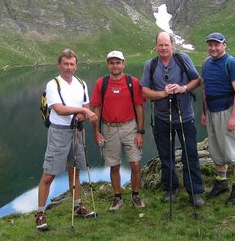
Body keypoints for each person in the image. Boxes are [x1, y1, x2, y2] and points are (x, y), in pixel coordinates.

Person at [35, 48, 98, 231]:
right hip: (59, 132)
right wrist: (84, 111)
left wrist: (83, 114)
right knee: (49, 174)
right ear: (59, 65)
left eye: (72, 64)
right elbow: (58, 109)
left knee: (75, 171)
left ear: (76, 65)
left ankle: (78, 206)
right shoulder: (53, 84)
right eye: (65, 64)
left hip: (77, 131)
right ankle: (40, 214)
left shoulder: (81, 83)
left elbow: (86, 104)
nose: (69, 68)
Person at [140, 31, 205, 206]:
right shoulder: (150, 65)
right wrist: (163, 93)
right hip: (162, 118)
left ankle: (195, 191)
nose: (163, 48)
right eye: (160, 45)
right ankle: (170, 187)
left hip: (185, 117)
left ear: (172, 45)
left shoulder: (183, 59)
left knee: (190, 154)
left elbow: (197, 80)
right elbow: (144, 91)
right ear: (156, 46)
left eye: (166, 44)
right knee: (166, 155)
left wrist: (183, 88)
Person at [91, 50, 146, 211]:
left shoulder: (132, 82)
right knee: (114, 165)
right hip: (109, 128)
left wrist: (140, 132)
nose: (115, 66)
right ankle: (117, 198)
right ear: (108, 64)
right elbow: (97, 108)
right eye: (112, 63)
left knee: (135, 164)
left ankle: (135, 196)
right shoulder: (102, 83)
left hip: (130, 127)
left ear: (123, 64)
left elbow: (139, 107)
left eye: (118, 62)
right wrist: (97, 132)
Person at [200, 32, 235, 204]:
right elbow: (205, 88)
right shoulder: (206, 63)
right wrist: (204, 112)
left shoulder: (232, 63)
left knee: (233, 150)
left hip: (227, 111)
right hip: (211, 111)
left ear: (224, 45)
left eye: (216, 44)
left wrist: (234, 116)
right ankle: (221, 182)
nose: (213, 48)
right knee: (216, 149)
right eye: (210, 44)